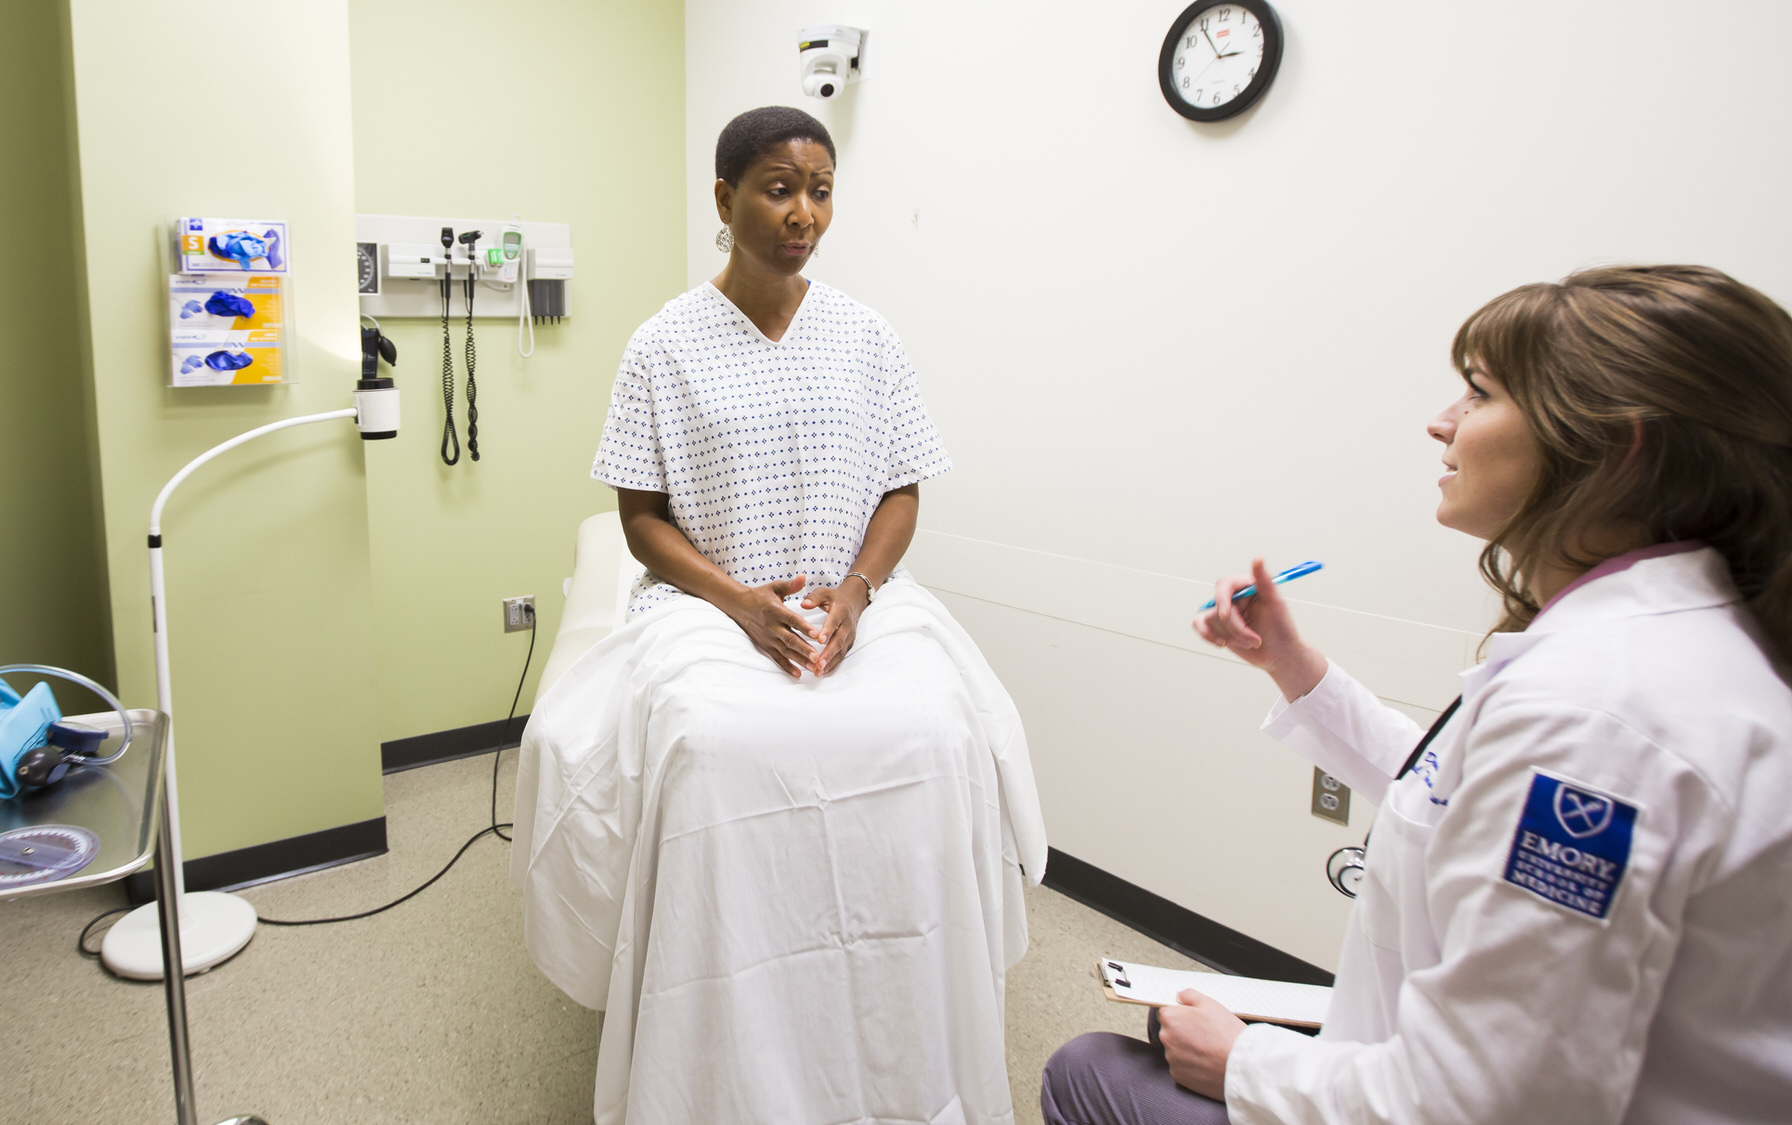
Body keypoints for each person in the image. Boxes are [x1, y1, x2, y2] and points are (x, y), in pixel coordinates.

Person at [1042, 264, 1792, 1124]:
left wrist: (1249, 1063)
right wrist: (1293, 667)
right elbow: (1456, 799)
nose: (1441, 421)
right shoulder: (1656, 649)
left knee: (1091, 1070)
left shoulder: (1595, 710)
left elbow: (1489, 1104)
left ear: (1619, 450)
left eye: (1477, 394)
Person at [511, 106, 1047, 1125]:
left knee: (934, 734)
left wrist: (853, 595)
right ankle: (715, 1033)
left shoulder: (864, 336)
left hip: (852, 600)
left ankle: (910, 1014)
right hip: (709, 602)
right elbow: (637, 517)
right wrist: (741, 607)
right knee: (710, 747)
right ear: (723, 200)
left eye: (820, 190)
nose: (802, 213)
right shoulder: (663, 344)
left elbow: (900, 489)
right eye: (776, 188)